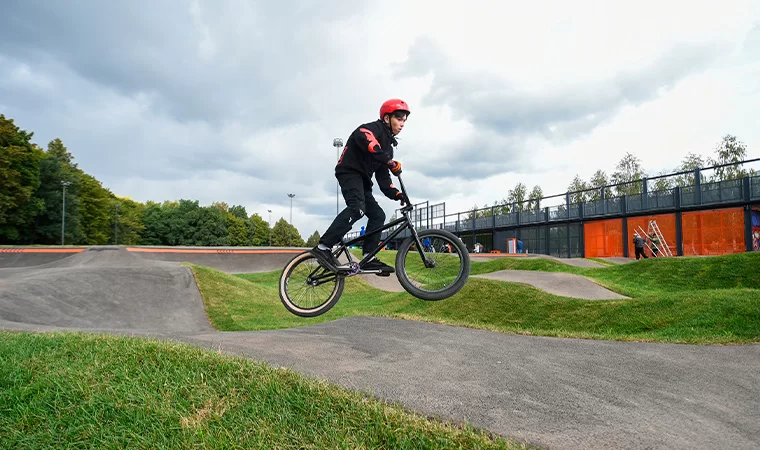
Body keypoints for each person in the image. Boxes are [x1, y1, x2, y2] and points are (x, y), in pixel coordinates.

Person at [311, 99, 411, 275]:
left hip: (364, 181)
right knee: (357, 208)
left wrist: (397, 194)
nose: (402, 124)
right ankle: (323, 247)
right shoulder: (372, 128)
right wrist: (388, 160)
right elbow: (366, 140)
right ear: (387, 118)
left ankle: (368, 257)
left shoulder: (388, 148)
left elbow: (383, 178)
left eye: (404, 120)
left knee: (378, 215)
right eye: (399, 118)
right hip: (349, 172)